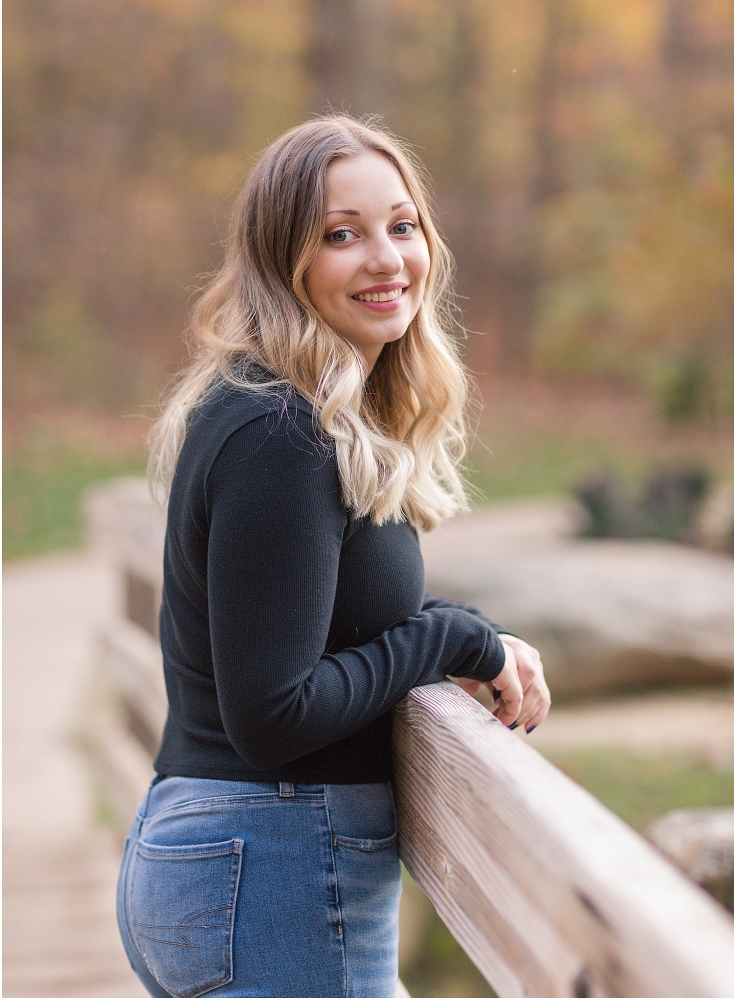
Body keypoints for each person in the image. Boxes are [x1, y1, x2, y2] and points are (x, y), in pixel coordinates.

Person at [116, 115, 550, 999]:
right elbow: (274, 713)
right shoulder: (284, 432)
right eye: (341, 235)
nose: (387, 258)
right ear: (287, 262)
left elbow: (321, 634)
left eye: (402, 225)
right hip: (274, 871)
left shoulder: (289, 410)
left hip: (240, 866)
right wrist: (459, 639)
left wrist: (458, 636)